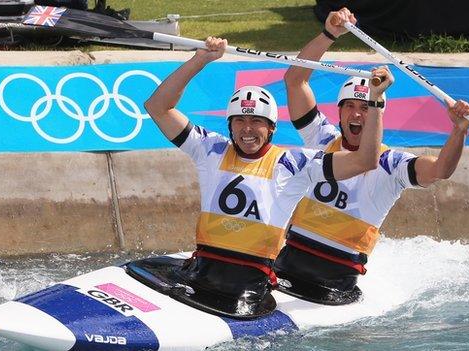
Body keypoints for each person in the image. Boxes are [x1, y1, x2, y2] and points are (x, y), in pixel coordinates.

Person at [142, 36, 393, 318]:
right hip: (200, 275)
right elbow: (157, 107)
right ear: (230, 125)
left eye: (257, 121)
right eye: (240, 120)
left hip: (246, 295)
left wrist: (375, 102)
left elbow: (366, 160)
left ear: (272, 128)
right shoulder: (210, 149)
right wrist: (201, 59)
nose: (247, 129)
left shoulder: (294, 164)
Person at [274, 8, 469, 305]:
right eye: (350, 107)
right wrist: (329, 34)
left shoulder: (391, 164)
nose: (358, 114)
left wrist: (458, 132)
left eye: (366, 107)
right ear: (339, 112)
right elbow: (295, 80)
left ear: (378, 112)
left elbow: (440, 171)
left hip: (335, 282)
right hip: (286, 264)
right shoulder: (322, 139)